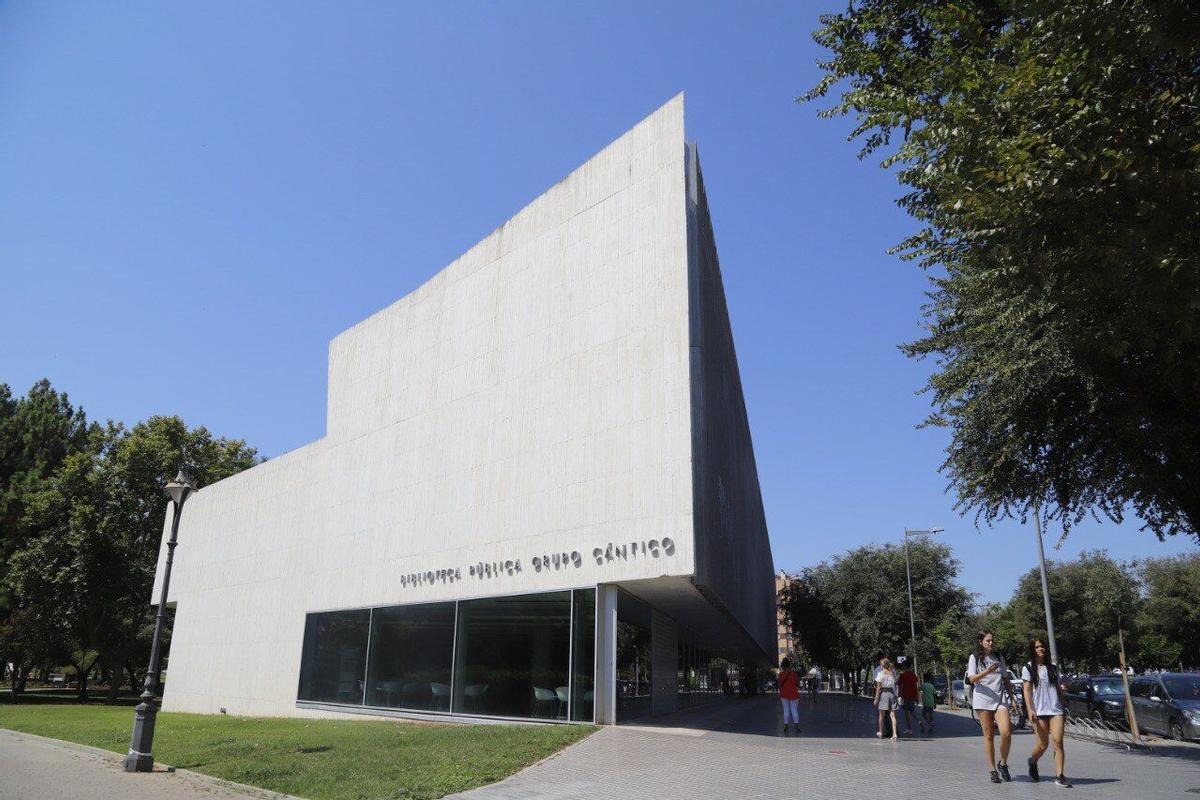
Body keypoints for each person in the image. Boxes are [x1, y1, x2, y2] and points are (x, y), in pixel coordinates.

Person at [1023, 638, 1072, 788]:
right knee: (1042, 745)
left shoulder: (1053, 667)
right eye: (1037, 647)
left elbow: (1059, 686)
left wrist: (1064, 693)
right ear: (1033, 649)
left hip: (1056, 710)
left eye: (1043, 646)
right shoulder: (1028, 668)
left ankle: (1060, 775)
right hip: (1039, 711)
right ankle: (1033, 761)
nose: (1041, 649)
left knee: (1057, 741)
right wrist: (1030, 709)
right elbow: (1027, 690)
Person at [967, 630, 1013, 783]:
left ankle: (1003, 763)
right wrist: (987, 671)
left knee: (1006, 732)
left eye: (992, 640)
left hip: (1000, 699)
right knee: (989, 736)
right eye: (988, 640)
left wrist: (1012, 698)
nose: (991, 643)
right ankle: (993, 770)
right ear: (981, 642)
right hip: (983, 700)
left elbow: (1006, 679)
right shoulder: (974, 657)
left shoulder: (999, 657)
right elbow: (972, 678)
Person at [873, 657, 899, 740]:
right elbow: (895, 685)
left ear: (882, 665)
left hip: (884, 693)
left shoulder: (881, 674)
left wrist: (876, 698)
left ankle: (880, 732)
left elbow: (878, 687)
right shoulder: (892, 673)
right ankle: (894, 734)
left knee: (881, 715)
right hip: (892, 694)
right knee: (893, 715)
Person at [897, 658, 921, 734]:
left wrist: (899, 695)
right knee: (912, 711)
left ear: (904, 666)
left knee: (907, 713)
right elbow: (915, 686)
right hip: (912, 696)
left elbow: (900, 685)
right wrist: (917, 697)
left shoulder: (902, 675)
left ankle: (909, 729)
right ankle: (919, 721)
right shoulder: (913, 675)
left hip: (905, 696)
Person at [778, 657, 801, 735]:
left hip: (784, 694)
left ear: (782, 666)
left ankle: (786, 726)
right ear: (789, 665)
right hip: (794, 694)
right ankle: (797, 727)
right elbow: (798, 684)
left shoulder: (780, 674)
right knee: (794, 710)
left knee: (785, 710)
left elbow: (779, 685)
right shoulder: (793, 674)